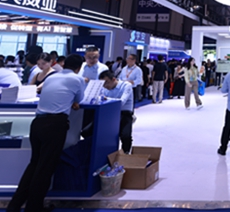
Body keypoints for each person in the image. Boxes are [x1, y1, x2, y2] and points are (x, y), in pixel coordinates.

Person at [6, 54, 85, 212]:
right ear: (78, 68)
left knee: (34, 164)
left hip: (37, 123)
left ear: (63, 64)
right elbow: (80, 98)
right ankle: (34, 208)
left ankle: (14, 206)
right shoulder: (77, 79)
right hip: (55, 125)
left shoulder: (51, 77)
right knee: (45, 168)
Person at [99, 70, 134, 154]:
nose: (104, 86)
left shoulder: (126, 85)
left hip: (124, 113)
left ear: (113, 79)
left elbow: (121, 102)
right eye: (102, 84)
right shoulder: (103, 88)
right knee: (89, 131)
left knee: (125, 136)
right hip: (108, 113)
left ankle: (125, 154)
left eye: (106, 83)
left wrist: (106, 99)